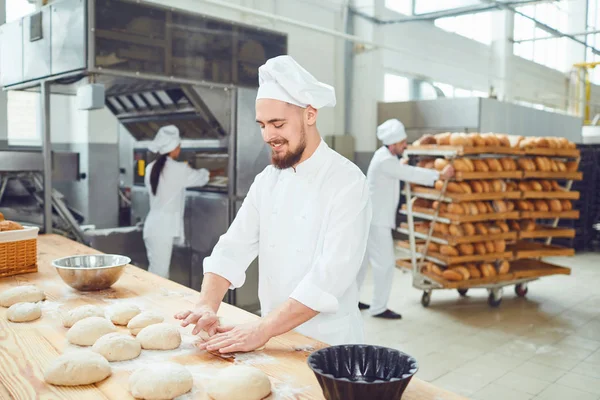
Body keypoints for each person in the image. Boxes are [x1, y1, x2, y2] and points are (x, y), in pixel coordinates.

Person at [174, 55, 372, 352]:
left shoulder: (347, 182)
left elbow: (330, 278)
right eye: (263, 125)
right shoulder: (268, 180)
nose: (269, 136)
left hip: (328, 343)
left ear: (310, 115)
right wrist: (206, 303)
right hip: (272, 336)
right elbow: (233, 246)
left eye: (278, 124)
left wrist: (261, 329)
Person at [357, 119, 454, 319]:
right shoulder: (385, 161)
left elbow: (398, 169)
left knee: (361, 262)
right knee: (385, 264)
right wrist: (440, 175)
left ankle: (351, 302)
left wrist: (400, 164)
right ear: (392, 145)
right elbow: (410, 173)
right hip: (377, 221)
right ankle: (378, 307)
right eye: (402, 143)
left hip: (371, 217)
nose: (405, 146)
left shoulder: (384, 157)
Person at [143, 125, 211, 279]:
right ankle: (157, 303)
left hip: (154, 226)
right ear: (173, 148)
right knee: (159, 275)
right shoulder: (177, 169)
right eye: (179, 146)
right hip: (162, 229)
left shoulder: (150, 168)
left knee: (157, 272)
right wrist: (213, 172)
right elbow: (201, 178)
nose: (179, 149)